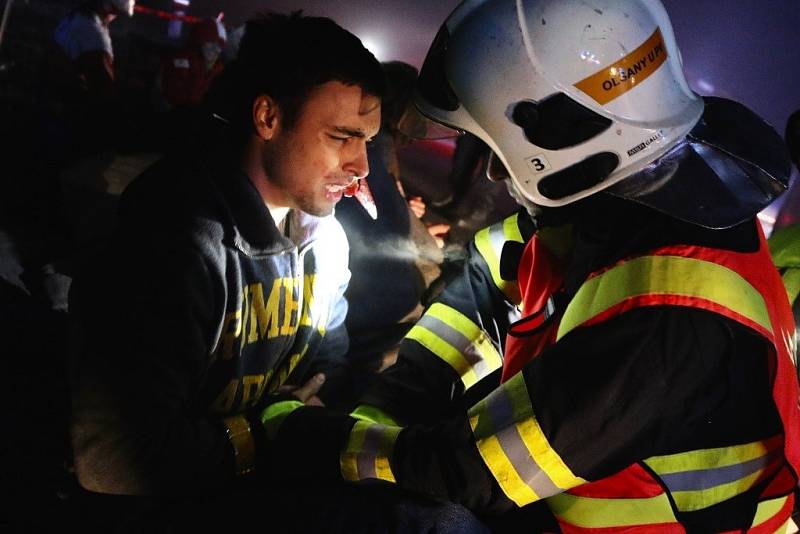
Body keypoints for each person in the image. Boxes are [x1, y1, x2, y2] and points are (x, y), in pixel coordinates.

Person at [260, 0, 800, 531]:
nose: (495, 172)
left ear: (564, 133)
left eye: (496, 146)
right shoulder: (628, 215)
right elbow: (481, 282)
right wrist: (375, 414)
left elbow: (470, 471)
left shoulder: (671, 320)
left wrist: (301, 434)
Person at [67, 10, 392, 529]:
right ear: (267, 118)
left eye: (367, 141)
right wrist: (269, 433)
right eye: (341, 137)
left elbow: (331, 367)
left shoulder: (327, 240)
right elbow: (112, 459)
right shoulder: (178, 244)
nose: (361, 167)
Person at [51, 0, 135, 154]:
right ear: (110, 9)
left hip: (53, 106)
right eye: (116, 14)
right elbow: (103, 90)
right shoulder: (93, 35)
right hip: (70, 118)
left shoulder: (75, 17)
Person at [155, 18, 227, 111]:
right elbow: (177, 99)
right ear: (200, 41)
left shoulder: (219, 70)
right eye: (212, 43)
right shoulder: (179, 64)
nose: (217, 49)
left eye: (219, 46)